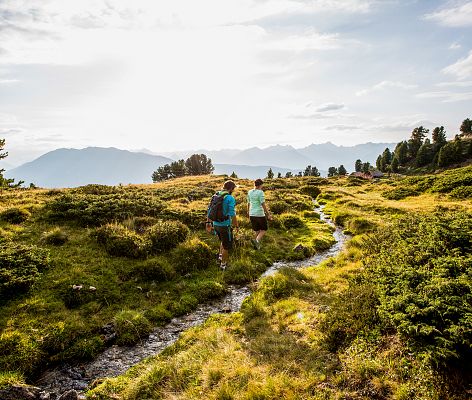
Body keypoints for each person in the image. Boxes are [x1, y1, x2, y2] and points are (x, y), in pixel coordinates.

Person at [206, 180, 239, 270]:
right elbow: (232, 214)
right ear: (231, 188)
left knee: (222, 241)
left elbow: (209, 210)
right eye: (234, 189)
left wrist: (208, 223)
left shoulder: (216, 195)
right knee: (227, 245)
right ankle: (223, 265)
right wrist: (236, 226)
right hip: (225, 225)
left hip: (215, 224)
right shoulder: (230, 198)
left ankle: (220, 257)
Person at [247, 178, 272, 249]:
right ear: (260, 185)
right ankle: (256, 241)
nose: (262, 187)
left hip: (252, 213)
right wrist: (268, 214)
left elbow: (248, 203)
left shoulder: (250, 192)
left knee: (257, 230)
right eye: (262, 185)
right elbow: (263, 204)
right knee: (264, 229)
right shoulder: (260, 192)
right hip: (259, 214)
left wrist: (248, 212)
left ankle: (253, 245)